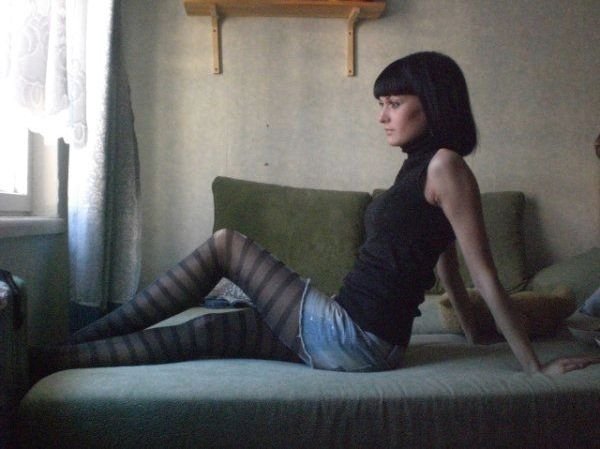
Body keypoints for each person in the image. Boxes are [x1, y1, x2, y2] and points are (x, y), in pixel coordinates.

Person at [37, 51, 599, 376]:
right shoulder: (417, 168)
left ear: (433, 104)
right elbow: (443, 257)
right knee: (210, 330)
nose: (382, 116)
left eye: (394, 103)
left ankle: (79, 336)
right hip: (350, 328)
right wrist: (474, 334)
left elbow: (484, 273)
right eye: (381, 104)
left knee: (227, 245)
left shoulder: (446, 166)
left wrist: (533, 367)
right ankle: (61, 359)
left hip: (358, 337)